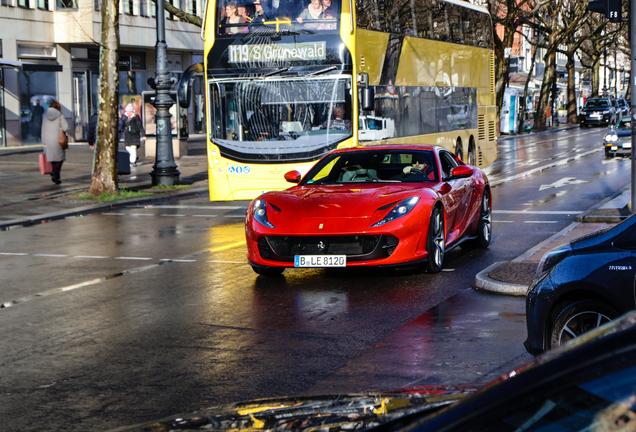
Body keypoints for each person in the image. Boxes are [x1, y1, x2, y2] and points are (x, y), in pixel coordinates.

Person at [41, 100, 69, 185]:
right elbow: (66, 127)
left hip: (49, 141)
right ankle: (55, 173)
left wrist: (44, 141)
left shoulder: (45, 116)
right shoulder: (60, 116)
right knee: (60, 159)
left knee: (52, 159)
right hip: (58, 140)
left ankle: (56, 176)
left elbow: (43, 129)